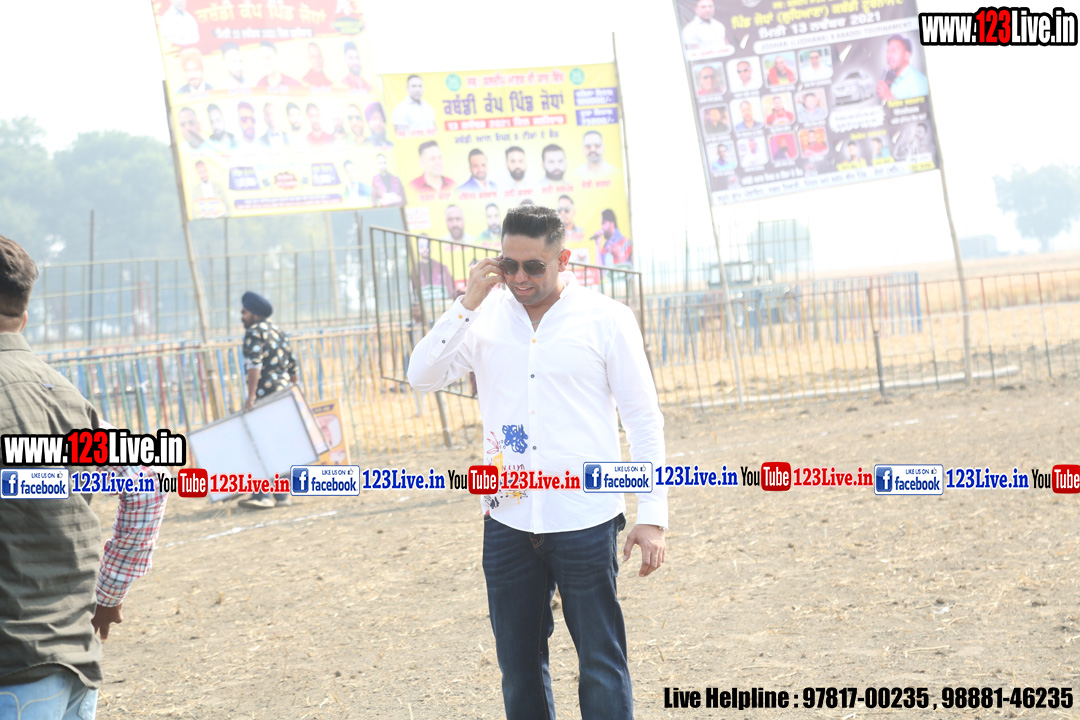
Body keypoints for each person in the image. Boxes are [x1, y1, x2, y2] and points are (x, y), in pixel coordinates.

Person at [407, 206, 666, 720]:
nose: (519, 278)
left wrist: (653, 515)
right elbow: (421, 376)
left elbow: (642, 418)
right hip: (507, 518)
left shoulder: (606, 318)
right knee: (519, 668)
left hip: (585, 517)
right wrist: (465, 305)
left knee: (601, 662)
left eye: (533, 267)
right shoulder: (482, 319)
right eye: (509, 265)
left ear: (563, 259)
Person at [0, 234, 168, 719]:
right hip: (74, 660)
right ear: (24, 315)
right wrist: (109, 595)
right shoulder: (63, 392)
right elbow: (146, 484)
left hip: (12, 670)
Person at [238, 290, 298, 509]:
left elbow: (254, 364)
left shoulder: (254, 332)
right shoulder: (278, 331)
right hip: (283, 395)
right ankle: (282, 496)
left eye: (244, 312)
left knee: (258, 443)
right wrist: (294, 393)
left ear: (255, 313)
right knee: (278, 444)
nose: (242, 317)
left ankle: (262, 495)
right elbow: (293, 368)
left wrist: (251, 396)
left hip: (265, 395)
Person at [877, 35, 929, 101]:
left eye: (894, 50)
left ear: (907, 55)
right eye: (888, 51)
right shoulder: (896, 80)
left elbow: (920, 107)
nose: (888, 56)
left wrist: (890, 98)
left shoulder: (918, 82)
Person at [414, 236, 456, 300]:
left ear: (431, 247)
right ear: (418, 248)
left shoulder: (442, 267)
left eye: (427, 246)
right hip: (423, 302)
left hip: (441, 302)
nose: (425, 249)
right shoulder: (415, 269)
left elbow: (450, 288)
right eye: (421, 246)